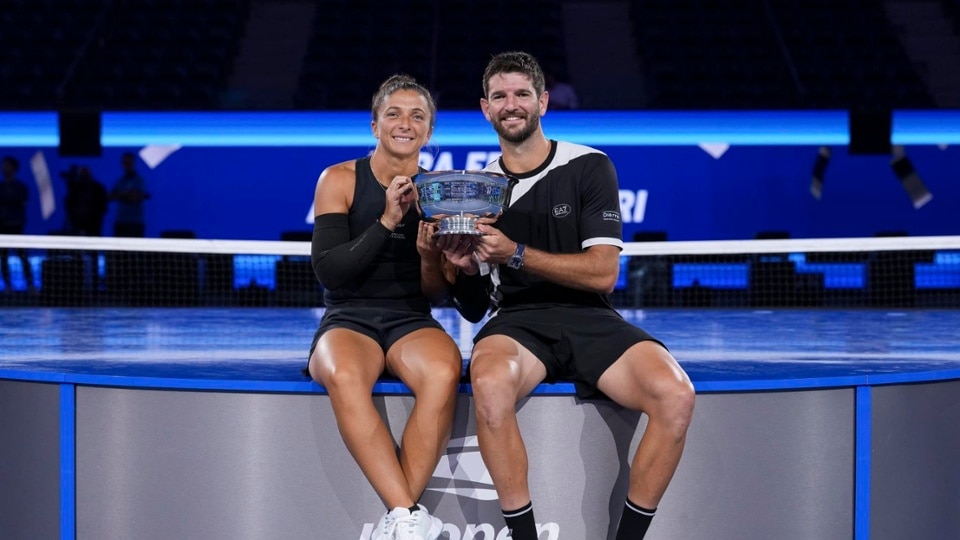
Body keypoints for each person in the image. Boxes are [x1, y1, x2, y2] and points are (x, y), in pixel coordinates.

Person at [439, 51, 695, 539]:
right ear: (485, 108)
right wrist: (459, 269)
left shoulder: (589, 166)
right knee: (489, 384)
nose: (510, 104)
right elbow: (474, 307)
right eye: (499, 96)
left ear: (543, 102)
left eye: (521, 94)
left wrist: (514, 252)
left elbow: (603, 274)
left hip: (591, 317)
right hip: (516, 321)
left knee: (676, 395)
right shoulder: (477, 189)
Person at [305, 74, 461, 540]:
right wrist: (387, 221)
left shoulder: (440, 194)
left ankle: (402, 521)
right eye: (393, 113)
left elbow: (439, 296)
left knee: (443, 370)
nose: (404, 123)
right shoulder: (338, 179)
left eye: (417, 116)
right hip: (348, 317)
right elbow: (331, 272)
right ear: (375, 125)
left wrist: (433, 256)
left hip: (411, 319)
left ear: (429, 132)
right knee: (345, 375)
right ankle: (408, 515)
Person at [0, 155, 34, 292]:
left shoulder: (21, 187)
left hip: (16, 226)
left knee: (23, 256)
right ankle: (7, 285)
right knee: (3, 258)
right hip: (2, 227)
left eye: (7, 166)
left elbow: (21, 203)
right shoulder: (1, 187)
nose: (4, 169)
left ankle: (31, 285)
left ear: (14, 168)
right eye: (3, 166)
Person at [109, 152, 151, 237]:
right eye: (125, 163)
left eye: (129, 163)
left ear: (133, 163)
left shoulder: (139, 181)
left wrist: (121, 195)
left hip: (135, 222)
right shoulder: (120, 181)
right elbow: (110, 196)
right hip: (121, 221)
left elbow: (135, 197)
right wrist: (126, 195)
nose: (127, 165)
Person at [63, 165, 109, 236]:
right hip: (76, 225)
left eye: (86, 174)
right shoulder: (75, 189)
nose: (84, 176)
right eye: (82, 174)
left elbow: (103, 206)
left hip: (93, 225)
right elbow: (69, 205)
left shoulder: (98, 189)